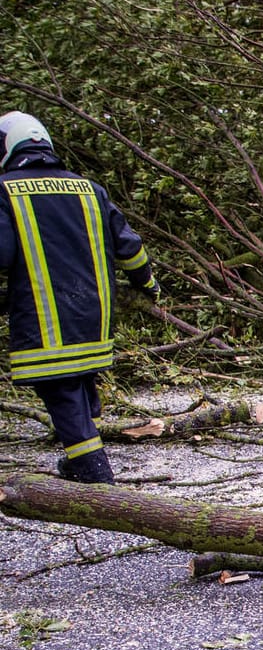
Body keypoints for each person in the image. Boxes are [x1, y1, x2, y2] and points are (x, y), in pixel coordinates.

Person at [0, 111, 159, 484]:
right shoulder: (90, 189)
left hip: (44, 314)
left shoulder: (5, 190)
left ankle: (94, 472)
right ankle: (83, 453)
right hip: (94, 311)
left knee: (60, 387)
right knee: (82, 377)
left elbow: (3, 253)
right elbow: (130, 247)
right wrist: (147, 284)